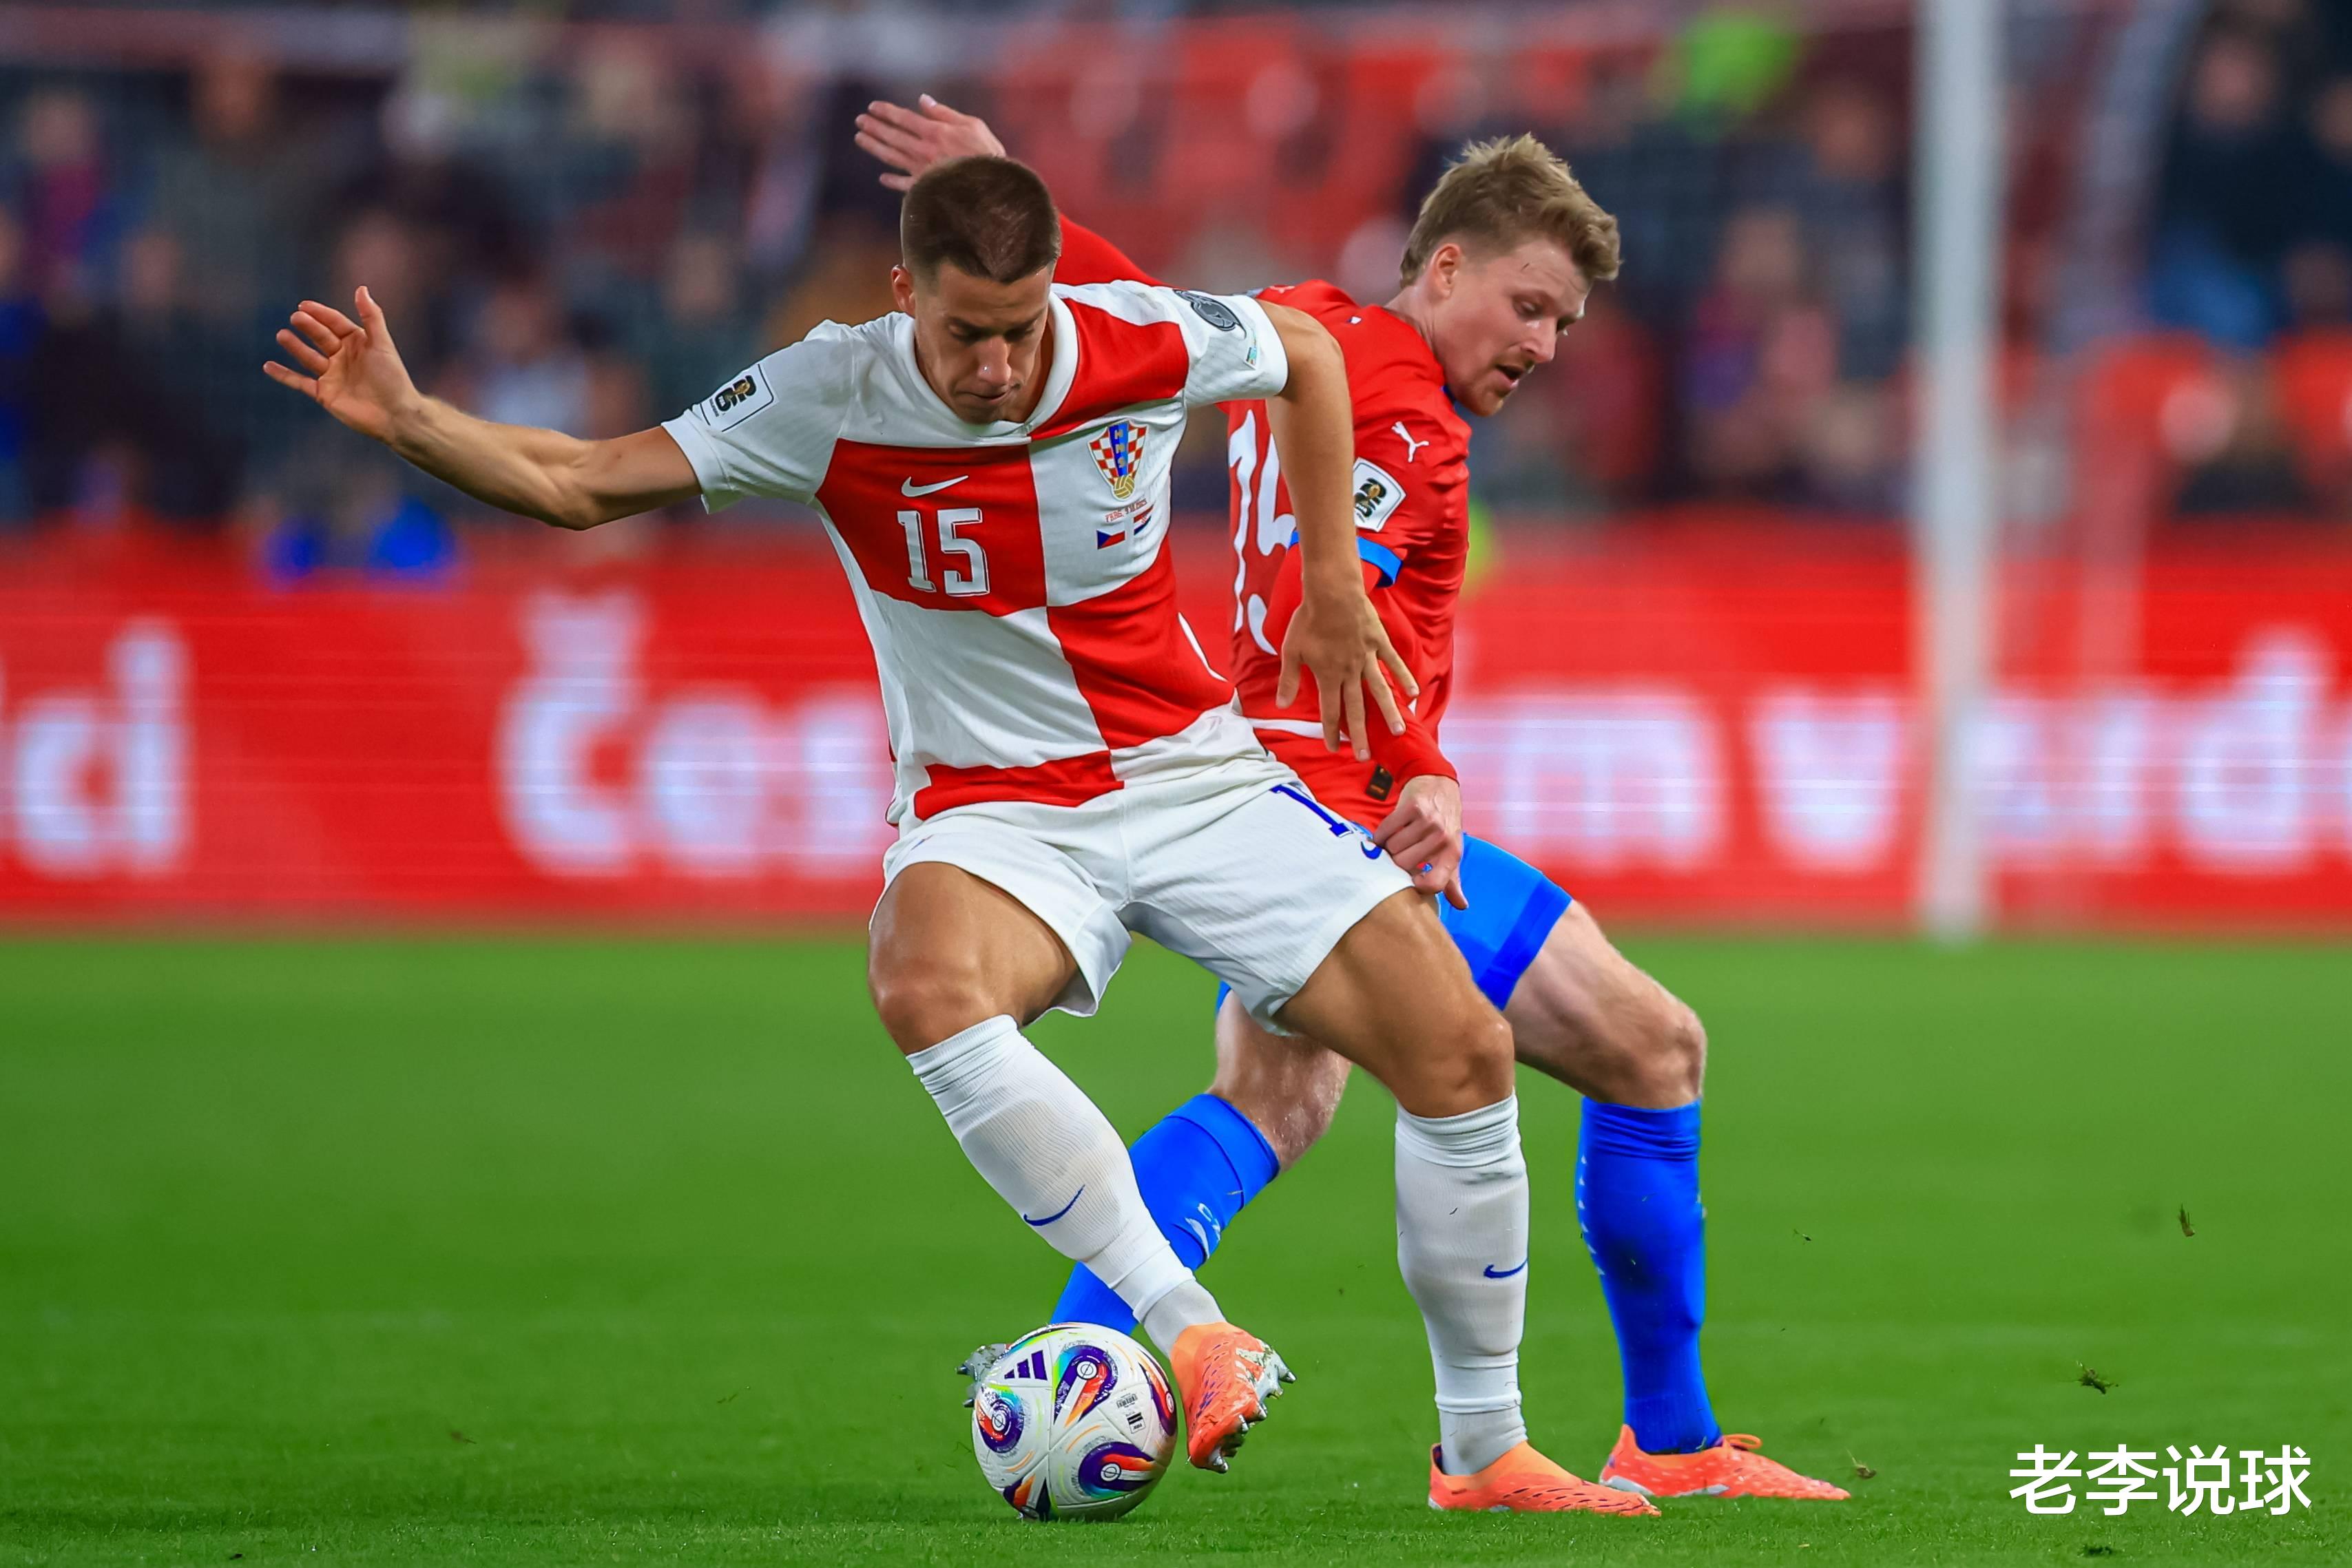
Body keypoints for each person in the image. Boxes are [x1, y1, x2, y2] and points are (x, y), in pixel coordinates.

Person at [264, 153, 1636, 1512]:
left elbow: (1310, 359)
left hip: (1193, 773)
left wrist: (1332, 576)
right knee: (921, 976)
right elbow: (579, 479)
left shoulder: (1132, 337)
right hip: (995, 806)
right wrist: (412, 420)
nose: (998, 366)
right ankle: (1186, 1324)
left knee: (1459, 1046)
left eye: (1023, 328)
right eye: (968, 333)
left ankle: (1484, 1452)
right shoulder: (828, 390)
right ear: (903, 292)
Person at [857, 96, 1848, 1504]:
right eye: (1527, 305)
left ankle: (1085, 1361)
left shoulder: (1307, 325)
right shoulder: (1399, 416)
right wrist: (1410, 762)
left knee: (1273, 1098)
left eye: (1564, 324)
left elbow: (1138, 305)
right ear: (1441, 265)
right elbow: (1340, 608)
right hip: (1332, 812)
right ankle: (1656, 1442)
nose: (1544, 345)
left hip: (1285, 786)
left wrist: (1011, 196)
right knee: (1650, 1045)